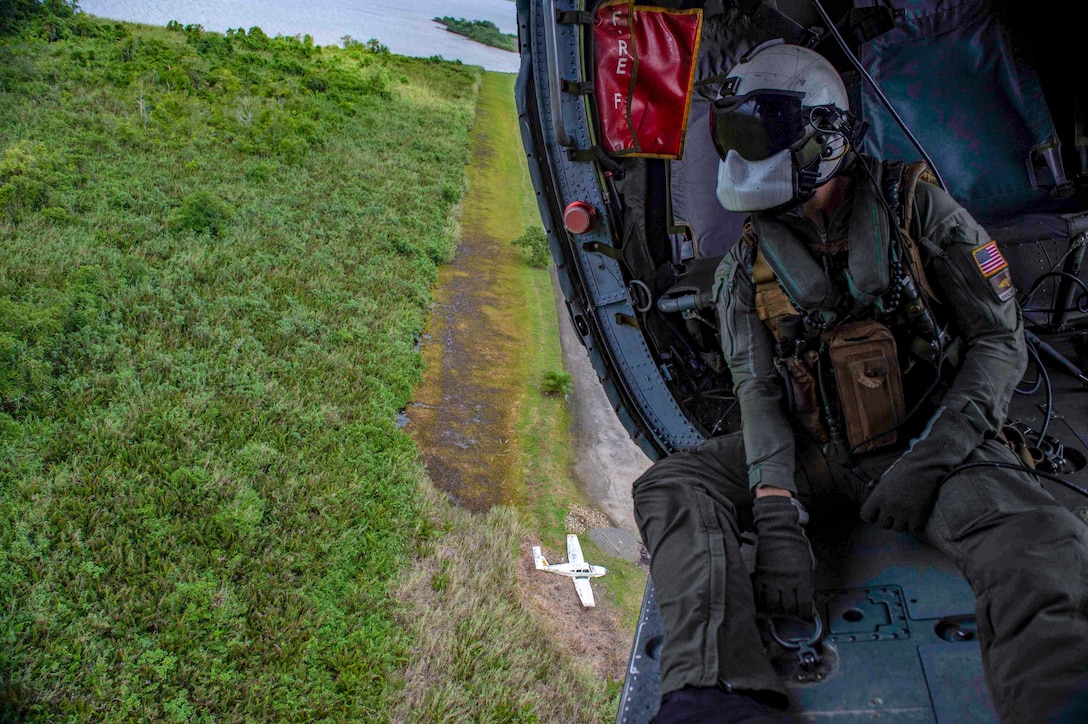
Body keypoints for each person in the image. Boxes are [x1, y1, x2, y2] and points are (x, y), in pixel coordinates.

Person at [632, 40, 1088, 723]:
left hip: (929, 438)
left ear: (827, 137)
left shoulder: (919, 212)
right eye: (735, 134)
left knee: (1040, 540)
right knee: (672, 483)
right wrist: (777, 509)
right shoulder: (745, 267)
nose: (744, 150)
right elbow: (757, 391)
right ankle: (714, 693)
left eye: (760, 133)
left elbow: (999, 341)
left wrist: (933, 459)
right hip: (817, 449)